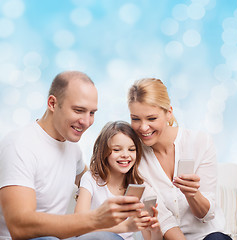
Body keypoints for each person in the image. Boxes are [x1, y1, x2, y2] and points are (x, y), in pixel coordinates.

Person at [0, 71, 144, 240]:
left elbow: (91, 178)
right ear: (53, 103)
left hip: (58, 238)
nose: (86, 121)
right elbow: (19, 227)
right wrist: (96, 218)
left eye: (92, 113)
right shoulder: (19, 145)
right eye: (78, 110)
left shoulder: (71, 147)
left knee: (109, 237)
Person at [127, 78, 232, 240]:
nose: (143, 127)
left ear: (169, 112)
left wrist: (192, 194)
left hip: (207, 235)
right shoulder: (134, 157)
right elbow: (163, 219)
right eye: (135, 119)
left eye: (151, 118)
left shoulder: (200, 142)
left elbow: (206, 214)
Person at [75, 121, 163, 240]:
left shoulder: (140, 187)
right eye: (117, 150)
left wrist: (155, 230)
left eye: (131, 150)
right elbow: (78, 227)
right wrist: (125, 227)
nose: (126, 155)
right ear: (104, 152)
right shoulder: (91, 179)